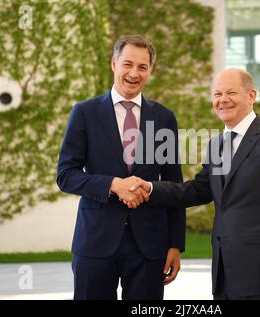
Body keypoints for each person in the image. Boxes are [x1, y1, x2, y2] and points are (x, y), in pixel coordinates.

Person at [129, 68, 260, 300]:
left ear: (251, 96)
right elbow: (198, 190)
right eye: (217, 94)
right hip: (223, 271)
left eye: (231, 92)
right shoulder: (217, 145)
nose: (223, 100)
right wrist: (150, 188)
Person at [57, 35, 185, 300]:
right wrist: (114, 184)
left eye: (142, 67)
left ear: (150, 71)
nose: (134, 73)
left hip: (150, 246)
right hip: (95, 241)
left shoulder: (164, 118)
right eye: (128, 64)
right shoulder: (85, 113)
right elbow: (66, 175)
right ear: (114, 63)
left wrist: (175, 244)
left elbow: (175, 185)